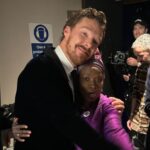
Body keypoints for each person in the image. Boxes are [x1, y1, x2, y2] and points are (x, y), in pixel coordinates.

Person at [13, 8, 122, 150]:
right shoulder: (41, 67)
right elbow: (71, 124)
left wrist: (107, 103)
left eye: (95, 41)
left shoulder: (72, 73)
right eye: (84, 34)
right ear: (67, 31)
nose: (88, 44)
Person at [12, 54, 133, 150]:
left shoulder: (106, 105)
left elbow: (115, 132)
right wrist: (14, 125)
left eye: (99, 79)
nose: (93, 85)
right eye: (86, 79)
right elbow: (38, 109)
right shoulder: (65, 99)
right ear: (77, 80)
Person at [129, 33, 150, 150]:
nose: (138, 59)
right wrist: (131, 116)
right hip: (138, 123)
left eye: (140, 55)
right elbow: (136, 93)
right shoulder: (141, 67)